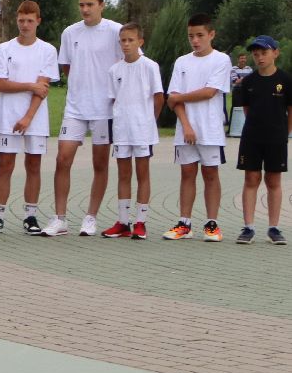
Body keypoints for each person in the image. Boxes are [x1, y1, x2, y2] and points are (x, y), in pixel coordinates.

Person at [44, 0, 123, 237]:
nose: (85, 9)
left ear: (102, 5)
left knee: (100, 163)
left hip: (104, 109)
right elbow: (67, 66)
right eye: (81, 5)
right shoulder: (70, 32)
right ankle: (60, 219)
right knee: (62, 159)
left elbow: (128, 62)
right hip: (76, 107)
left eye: (90, 4)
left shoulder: (115, 31)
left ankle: (91, 218)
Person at [0, 0, 58, 234]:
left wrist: (27, 118)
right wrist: (29, 85)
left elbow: (42, 89)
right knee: (5, 165)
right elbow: (1, 84)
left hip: (35, 120)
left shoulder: (47, 50)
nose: (25, 25)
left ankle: (31, 217)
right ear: (16, 20)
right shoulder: (5, 49)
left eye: (30, 21)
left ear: (38, 21)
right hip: (7, 117)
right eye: (21, 20)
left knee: (33, 165)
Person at [163, 14, 231, 242]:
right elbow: (173, 99)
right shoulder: (182, 62)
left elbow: (209, 92)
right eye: (191, 36)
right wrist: (186, 125)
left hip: (210, 129)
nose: (195, 40)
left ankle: (212, 224)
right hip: (186, 129)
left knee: (210, 174)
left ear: (211, 34)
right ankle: (185, 223)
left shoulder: (221, 60)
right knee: (187, 174)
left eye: (200, 35)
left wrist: (178, 98)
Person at [101, 22, 164, 240]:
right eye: (123, 41)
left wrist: (149, 122)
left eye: (130, 40)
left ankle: (141, 222)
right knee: (123, 174)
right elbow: (113, 100)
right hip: (121, 130)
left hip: (142, 131)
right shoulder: (114, 70)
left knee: (142, 173)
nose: (126, 44)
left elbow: (158, 98)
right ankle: (123, 221)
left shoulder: (150, 66)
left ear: (140, 41)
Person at [233, 36, 291, 245]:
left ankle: (274, 228)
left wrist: (284, 133)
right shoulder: (248, 82)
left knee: (273, 181)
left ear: (276, 52)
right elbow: (248, 110)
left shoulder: (285, 80)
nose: (259, 57)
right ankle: (248, 227)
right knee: (251, 179)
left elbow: (290, 111)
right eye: (256, 54)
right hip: (252, 138)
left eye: (264, 53)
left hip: (276, 138)